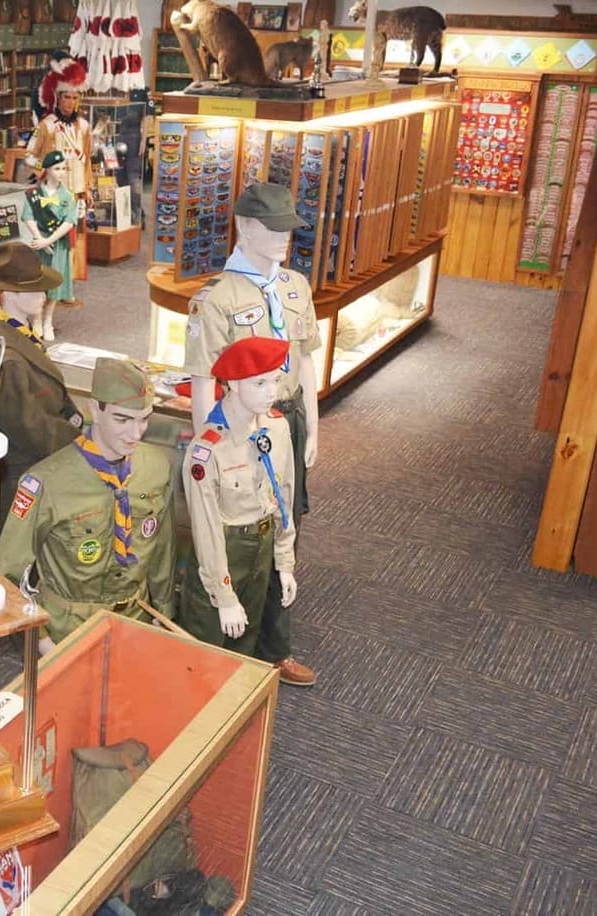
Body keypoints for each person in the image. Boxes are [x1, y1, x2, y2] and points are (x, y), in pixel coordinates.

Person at [183, 182, 320, 687]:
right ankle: (229, 649)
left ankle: (274, 646)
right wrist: (209, 450)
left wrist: (313, 427)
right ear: (246, 226)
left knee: (283, 522)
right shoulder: (217, 299)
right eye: (273, 227)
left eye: (289, 227)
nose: (285, 237)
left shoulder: (295, 286)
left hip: (287, 418)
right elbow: (203, 381)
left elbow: (304, 360)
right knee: (238, 536)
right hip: (236, 426)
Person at [0, 358, 175, 652]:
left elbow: (162, 548)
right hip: (67, 629)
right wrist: (41, 639)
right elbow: (9, 571)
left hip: (136, 618)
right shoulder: (45, 482)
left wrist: (164, 611)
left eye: (144, 419)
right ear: (94, 410)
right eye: (122, 419)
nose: (135, 433)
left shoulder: (156, 467)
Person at [180, 338, 298, 660]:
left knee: (245, 646)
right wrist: (224, 594)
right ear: (232, 383)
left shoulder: (276, 428)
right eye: (259, 383)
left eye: (275, 380)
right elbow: (207, 531)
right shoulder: (207, 451)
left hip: (261, 547)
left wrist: (284, 561)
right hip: (223, 552)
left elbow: (283, 496)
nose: (271, 391)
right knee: (205, 652)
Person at [0, 242, 83, 529]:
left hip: (34, 466)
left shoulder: (16, 332)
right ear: (9, 294)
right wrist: (81, 441)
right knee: (19, 549)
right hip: (23, 474)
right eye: (35, 289)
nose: (44, 295)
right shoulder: (8, 356)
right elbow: (28, 426)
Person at [25, 52, 92, 310]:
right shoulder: (47, 126)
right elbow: (29, 157)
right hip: (52, 193)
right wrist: (47, 169)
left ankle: (66, 290)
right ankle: (49, 289)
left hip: (75, 193)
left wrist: (87, 188)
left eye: (75, 97)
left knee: (72, 243)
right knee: (51, 242)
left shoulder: (84, 127)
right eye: (66, 96)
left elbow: (87, 161)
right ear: (57, 97)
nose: (71, 102)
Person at [22, 150, 78, 341]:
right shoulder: (34, 193)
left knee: (55, 283)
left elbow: (69, 221)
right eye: (57, 168)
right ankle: (36, 319)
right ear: (47, 170)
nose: (61, 172)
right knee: (38, 283)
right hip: (39, 244)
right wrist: (39, 239)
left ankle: (48, 321)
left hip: (58, 245)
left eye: (63, 168)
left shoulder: (68, 196)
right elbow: (27, 216)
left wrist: (49, 241)